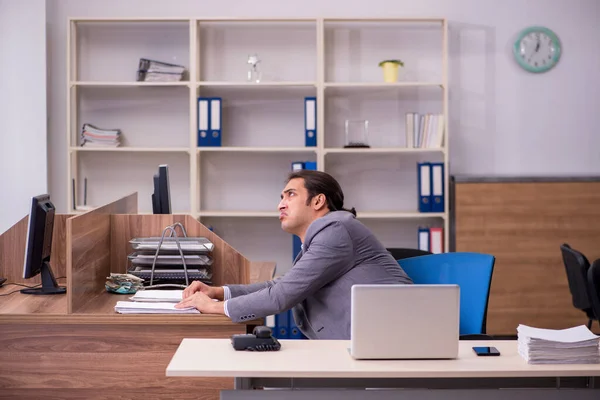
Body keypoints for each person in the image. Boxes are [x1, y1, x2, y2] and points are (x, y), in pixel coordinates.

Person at [176, 170, 413, 339]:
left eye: (290, 195)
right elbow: (281, 285)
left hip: (390, 342)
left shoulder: (335, 230)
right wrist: (219, 292)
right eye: (281, 197)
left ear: (318, 201)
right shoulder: (324, 235)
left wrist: (215, 307)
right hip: (368, 340)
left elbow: (281, 295)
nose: (281, 204)